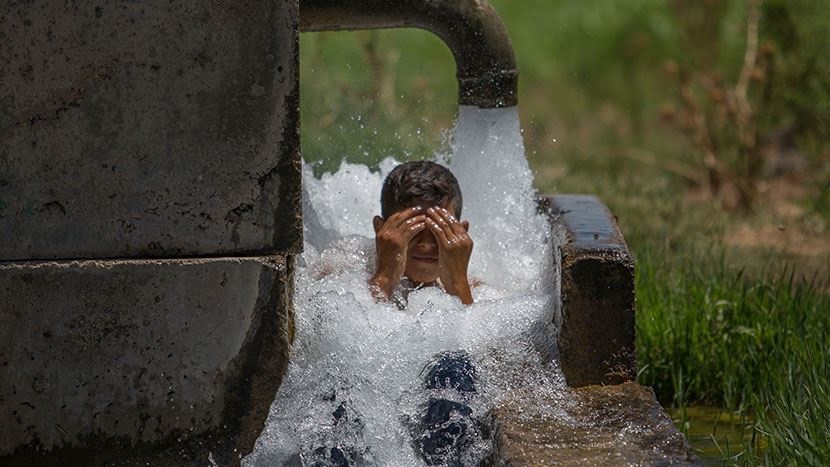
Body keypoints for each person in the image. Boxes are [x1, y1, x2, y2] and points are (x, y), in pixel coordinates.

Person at [368, 160, 475, 306]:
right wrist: (384, 277)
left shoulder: (476, 292)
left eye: (438, 229)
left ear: (462, 235)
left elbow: (472, 328)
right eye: (414, 229)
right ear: (381, 229)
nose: (426, 244)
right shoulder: (344, 275)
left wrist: (457, 285)